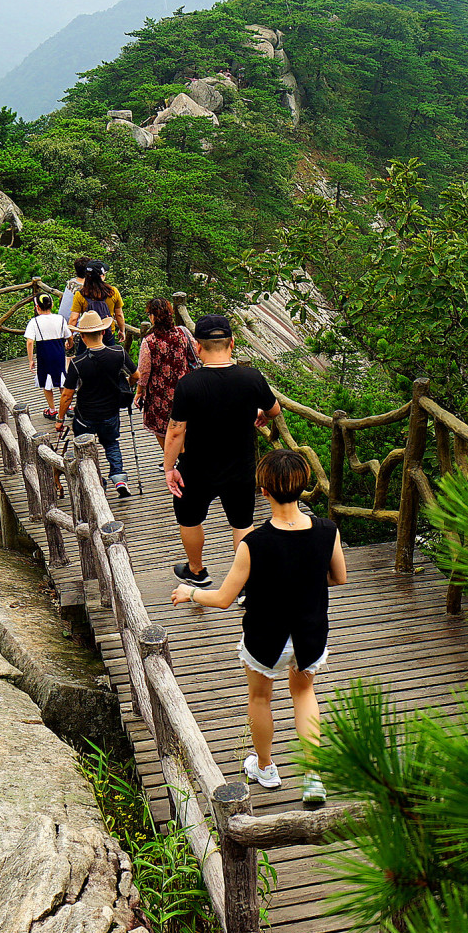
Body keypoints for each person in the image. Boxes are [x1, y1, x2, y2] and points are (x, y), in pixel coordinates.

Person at [171, 449, 344, 804]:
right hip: (310, 632)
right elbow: (338, 577)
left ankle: (265, 767)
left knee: (260, 697)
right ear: (303, 485)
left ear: (263, 491)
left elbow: (222, 598)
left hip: (267, 637)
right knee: (304, 695)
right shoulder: (327, 530)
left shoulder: (254, 543)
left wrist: (190, 592)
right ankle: (313, 778)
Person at [165, 314, 282, 588]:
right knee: (242, 524)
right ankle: (245, 585)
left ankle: (197, 571)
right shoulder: (250, 377)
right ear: (232, 343)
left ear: (198, 346)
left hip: (196, 467)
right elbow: (274, 409)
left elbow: (176, 431)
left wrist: (170, 468)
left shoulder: (189, 384)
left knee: (190, 519)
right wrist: (260, 412)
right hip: (240, 466)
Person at [56, 309, 134, 499]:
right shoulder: (118, 353)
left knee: (85, 451)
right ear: (103, 332)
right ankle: (119, 478)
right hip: (111, 412)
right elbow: (136, 376)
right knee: (111, 443)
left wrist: (60, 418)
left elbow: (67, 394)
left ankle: (99, 482)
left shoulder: (77, 362)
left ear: (82, 336)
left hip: (86, 416)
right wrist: (123, 386)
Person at [136, 296, 198, 440]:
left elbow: (144, 372)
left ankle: (173, 458)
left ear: (153, 317)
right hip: (185, 390)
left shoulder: (149, 342)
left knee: (162, 431)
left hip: (160, 395)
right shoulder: (183, 333)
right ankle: (184, 457)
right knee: (185, 427)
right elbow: (196, 352)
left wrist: (139, 392)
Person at [24, 294, 71, 419]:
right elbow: (69, 335)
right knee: (62, 379)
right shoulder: (60, 318)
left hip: (44, 354)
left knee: (46, 381)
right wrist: (69, 344)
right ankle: (67, 406)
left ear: (37, 307)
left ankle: (52, 409)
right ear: (52, 305)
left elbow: (29, 341)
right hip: (59, 352)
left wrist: (30, 360)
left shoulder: (34, 322)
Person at [70, 263, 126, 348]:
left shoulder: (80, 294)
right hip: (108, 332)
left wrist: (69, 335)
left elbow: (74, 318)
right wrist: (122, 330)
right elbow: (119, 314)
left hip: (87, 333)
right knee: (108, 359)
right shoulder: (113, 292)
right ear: (101, 276)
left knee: (84, 359)